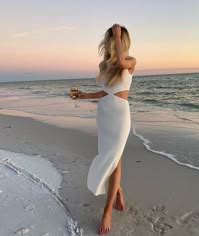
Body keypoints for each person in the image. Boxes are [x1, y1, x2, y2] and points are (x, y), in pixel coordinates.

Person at [70, 23, 136, 235]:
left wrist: (117, 36)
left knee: (114, 160)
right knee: (114, 160)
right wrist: (84, 95)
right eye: (110, 38)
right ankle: (117, 192)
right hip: (105, 115)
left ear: (121, 40)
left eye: (115, 38)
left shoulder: (130, 62)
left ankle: (107, 212)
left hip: (120, 116)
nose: (112, 42)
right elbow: (104, 93)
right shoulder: (104, 66)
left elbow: (119, 60)